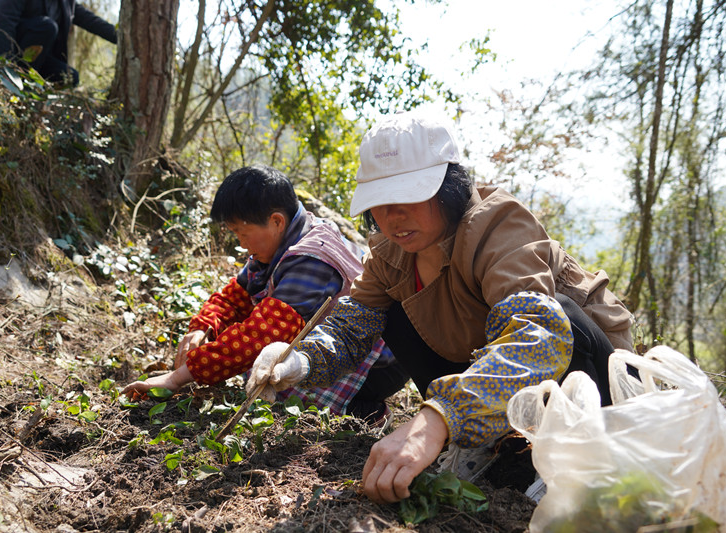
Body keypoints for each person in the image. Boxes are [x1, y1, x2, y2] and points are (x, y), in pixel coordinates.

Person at [246, 112, 634, 504]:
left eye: (410, 197)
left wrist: (436, 419)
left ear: (449, 187)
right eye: (381, 203)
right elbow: (352, 325)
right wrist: (299, 360)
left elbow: (537, 335)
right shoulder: (390, 254)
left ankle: (575, 453)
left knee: (558, 316)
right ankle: (488, 438)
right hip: (495, 381)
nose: (393, 217)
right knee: (392, 311)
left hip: (595, 387)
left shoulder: (499, 228)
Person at [122, 165, 392, 420]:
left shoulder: (312, 260)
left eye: (242, 233)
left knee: (283, 389)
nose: (241, 243)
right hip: (341, 346)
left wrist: (176, 378)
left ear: (276, 221)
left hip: (376, 362)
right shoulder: (286, 237)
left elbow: (261, 335)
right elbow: (235, 294)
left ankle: (365, 411)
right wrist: (203, 326)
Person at [0, 0, 117, 87]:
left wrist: (122, 37)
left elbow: (92, 22)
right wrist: (3, 70)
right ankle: (16, 85)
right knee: (47, 26)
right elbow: (3, 22)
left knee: (70, 77)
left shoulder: (66, 3)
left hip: (29, 59)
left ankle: (29, 90)